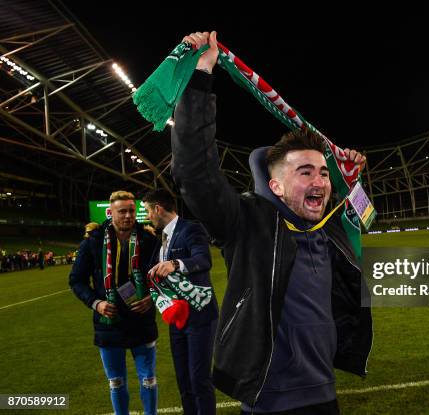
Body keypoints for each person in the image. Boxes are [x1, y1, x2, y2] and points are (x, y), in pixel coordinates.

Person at [170, 31, 373, 414]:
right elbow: (194, 171)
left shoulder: (326, 228)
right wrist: (201, 74)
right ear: (276, 185)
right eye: (305, 172)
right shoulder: (248, 223)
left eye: (323, 174)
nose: (319, 181)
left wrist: (353, 179)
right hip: (270, 401)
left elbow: (364, 219)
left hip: (325, 396)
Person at [69, 190, 159, 415]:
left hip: (142, 320)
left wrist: (152, 298)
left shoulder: (148, 239)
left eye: (131, 210)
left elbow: (162, 278)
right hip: (108, 322)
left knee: (148, 379)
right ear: (111, 212)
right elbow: (76, 280)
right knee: (116, 382)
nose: (128, 215)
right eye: (122, 211)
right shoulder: (93, 241)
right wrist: (96, 303)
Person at [143, 188, 219, 415]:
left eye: (147, 211)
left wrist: (175, 264)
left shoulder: (191, 229)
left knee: (199, 379)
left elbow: (203, 260)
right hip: (178, 319)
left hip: (200, 316)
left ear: (158, 208)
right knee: (184, 380)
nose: (147, 216)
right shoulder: (162, 239)